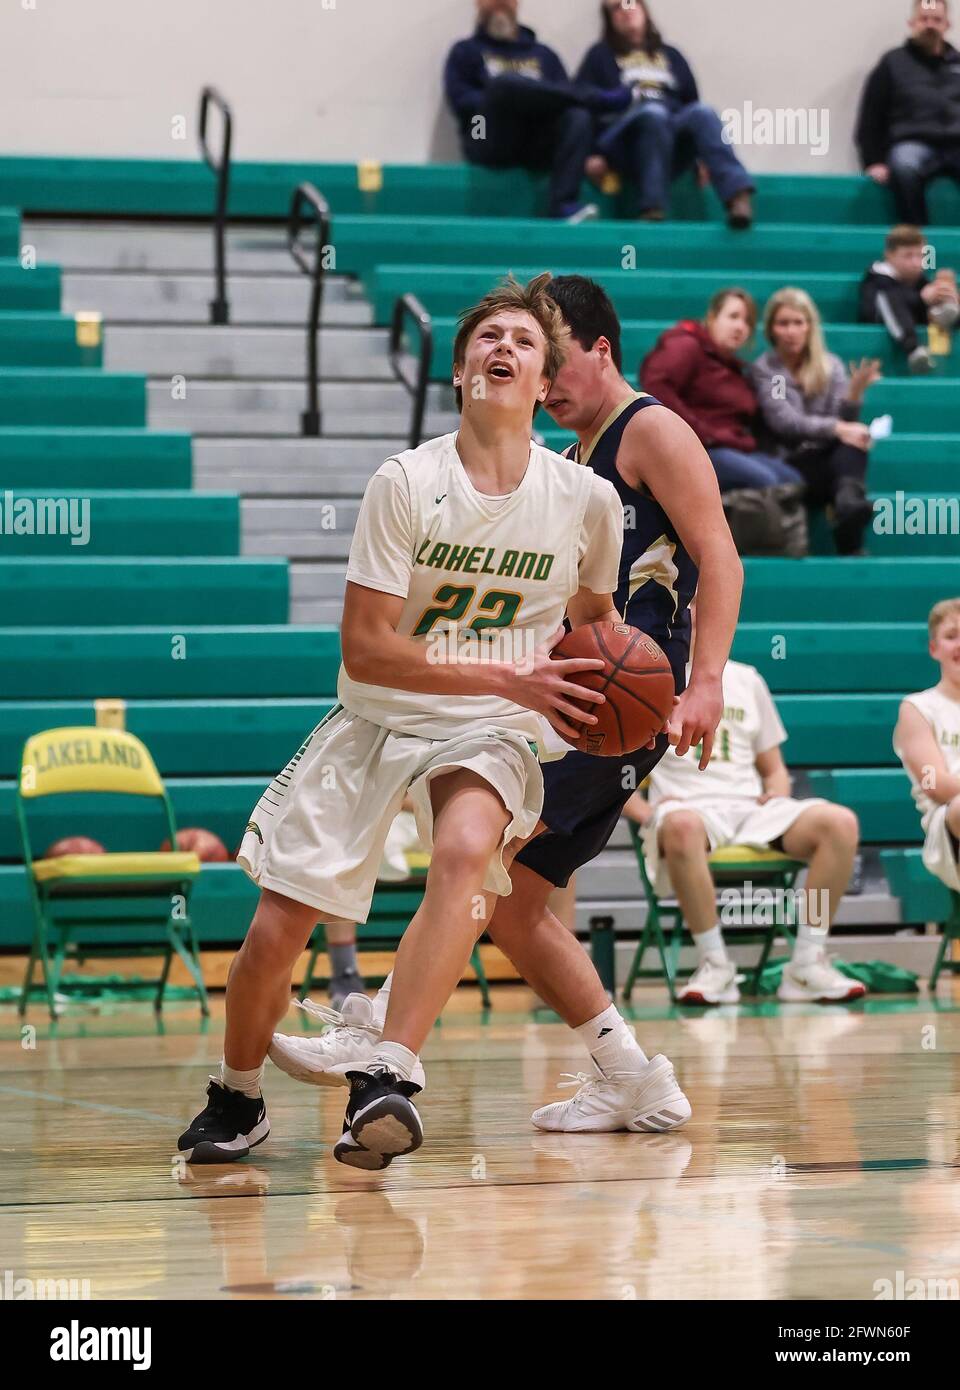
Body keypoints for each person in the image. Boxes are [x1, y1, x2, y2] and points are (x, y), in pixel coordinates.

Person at [272, 275, 744, 1139]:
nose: (544, 377)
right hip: (568, 689)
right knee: (517, 902)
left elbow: (721, 555)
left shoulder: (651, 429)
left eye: (555, 357)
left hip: (619, 694)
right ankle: (632, 1080)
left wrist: (706, 680)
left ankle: (379, 1032)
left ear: (601, 351)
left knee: (481, 858)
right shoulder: (563, 467)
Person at [177, 272, 628, 1167]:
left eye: (524, 340)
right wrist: (513, 673)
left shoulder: (589, 503)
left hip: (488, 727)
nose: (503, 347)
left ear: (546, 382)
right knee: (275, 934)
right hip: (379, 716)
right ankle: (239, 1095)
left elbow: (594, 626)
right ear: (460, 371)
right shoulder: (406, 482)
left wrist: (633, 696)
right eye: (486, 338)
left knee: (468, 854)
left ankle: (388, 1075)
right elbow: (368, 649)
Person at [625, 606, 867, 1006]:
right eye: (690, 604)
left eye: (707, 604)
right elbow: (615, 781)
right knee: (681, 825)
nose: (699, 611)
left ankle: (807, 963)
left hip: (750, 808)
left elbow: (774, 770)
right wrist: (648, 815)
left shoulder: (747, 679)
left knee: (839, 823)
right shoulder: (646, 678)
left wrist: (776, 791)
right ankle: (714, 964)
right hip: (688, 810)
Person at [444, 0, 630, 221]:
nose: (499, 3)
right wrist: (507, 99)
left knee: (577, 115)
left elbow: (564, 99)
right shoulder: (465, 51)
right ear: (478, 4)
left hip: (535, 142)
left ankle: (564, 204)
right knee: (503, 85)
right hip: (485, 135)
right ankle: (595, 97)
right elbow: (462, 102)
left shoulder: (543, 55)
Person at [577, 0, 755, 227]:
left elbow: (691, 103)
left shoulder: (672, 56)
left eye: (630, 4)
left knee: (703, 112)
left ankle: (737, 197)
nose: (625, 11)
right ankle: (652, 208)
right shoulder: (599, 55)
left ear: (644, 10)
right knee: (653, 113)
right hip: (625, 141)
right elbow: (584, 104)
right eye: (616, 9)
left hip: (670, 137)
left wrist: (700, 159)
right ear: (610, 20)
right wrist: (591, 153)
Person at [751, 287, 881, 556]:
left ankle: (847, 503)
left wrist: (853, 397)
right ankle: (850, 530)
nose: (791, 331)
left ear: (810, 326)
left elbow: (842, 422)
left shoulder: (830, 365)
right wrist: (838, 428)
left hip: (828, 461)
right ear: (771, 329)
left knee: (853, 445)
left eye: (798, 323)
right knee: (848, 444)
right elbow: (785, 423)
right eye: (783, 323)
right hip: (788, 464)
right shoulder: (769, 370)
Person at [640, 288, 804, 492]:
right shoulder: (686, 345)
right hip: (699, 450)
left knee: (792, 480)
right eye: (733, 317)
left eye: (747, 321)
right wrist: (702, 433)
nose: (740, 327)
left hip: (732, 447)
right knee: (765, 482)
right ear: (712, 318)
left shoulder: (732, 366)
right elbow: (656, 386)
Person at [856, 0, 960, 226]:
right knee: (904, 166)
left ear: (947, 24)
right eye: (924, 19)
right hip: (912, 143)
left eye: (936, 20)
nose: (930, 25)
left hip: (956, 144)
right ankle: (917, 240)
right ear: (912, 23)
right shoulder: (892, 63)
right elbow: (871, 116)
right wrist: (873, 161)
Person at [894, 598, 960, 902]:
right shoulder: (917, 708)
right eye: (951, 636)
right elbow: (937, 786)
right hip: (948, 829)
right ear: (935, 649)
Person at [859, 224, 960, 374]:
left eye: (920, 256)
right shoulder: (877, 279)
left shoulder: (921, 281)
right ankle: (913, 349)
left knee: (944, 293)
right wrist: (921, 299)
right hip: (884, 327)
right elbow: (871, 313)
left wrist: (950, 298)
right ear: (889, 255)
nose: (915, 263)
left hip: (918, 319)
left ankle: (946, 314)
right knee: (891, 297)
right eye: (908, 256)